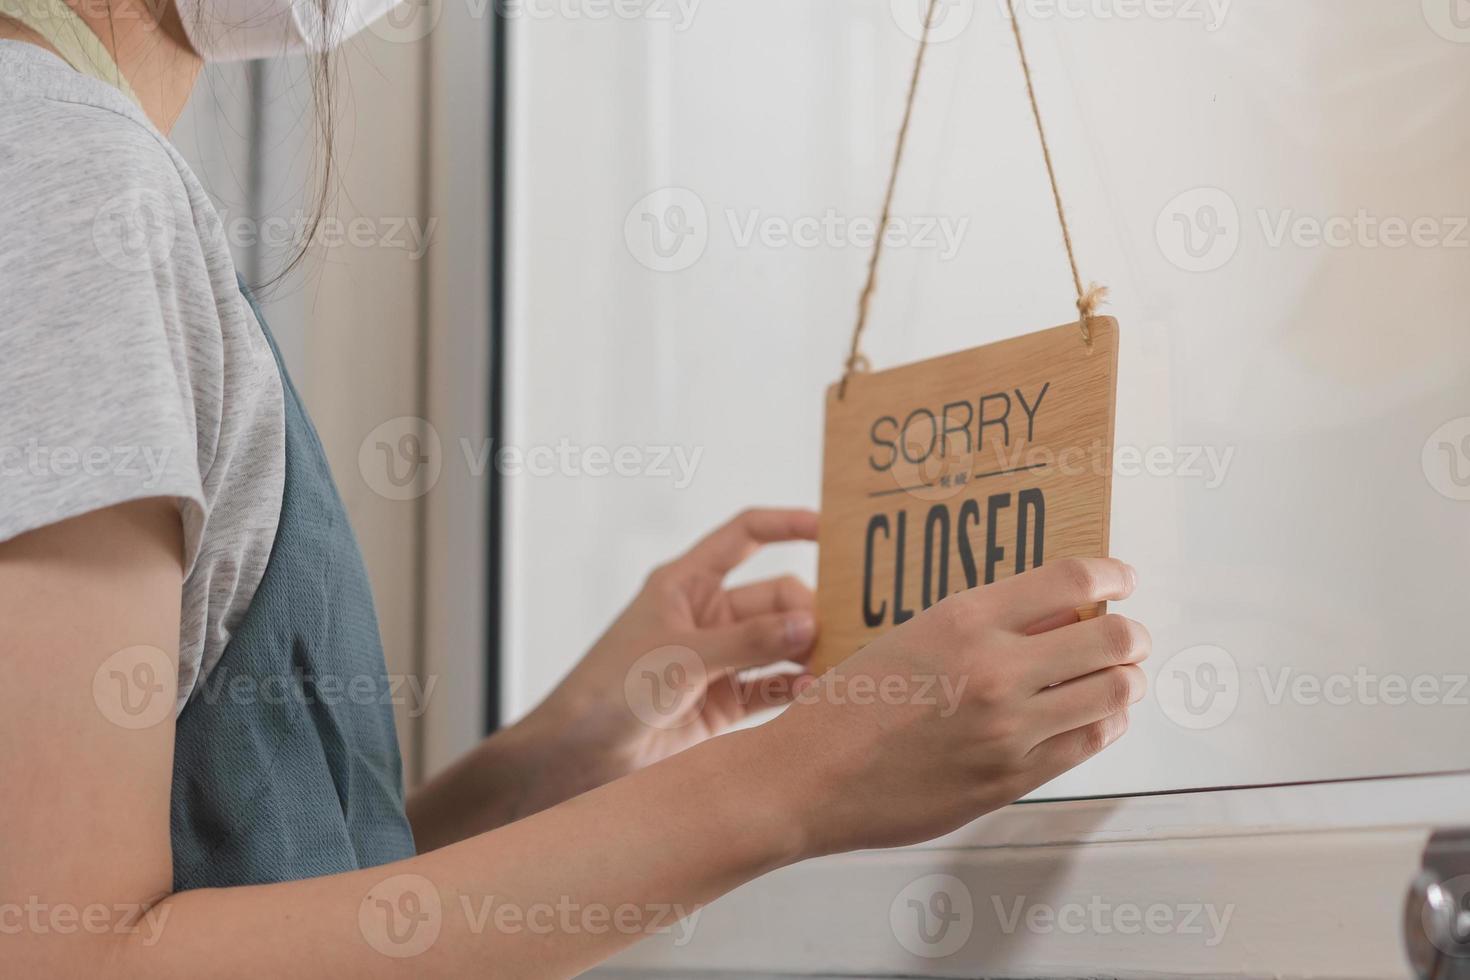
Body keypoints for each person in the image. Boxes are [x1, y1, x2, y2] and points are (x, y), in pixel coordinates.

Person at [0, 0, 1151, 972]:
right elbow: (69, 954)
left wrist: (552, 764)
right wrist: (804, 778)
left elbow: (251, 863)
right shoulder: (60, 164)